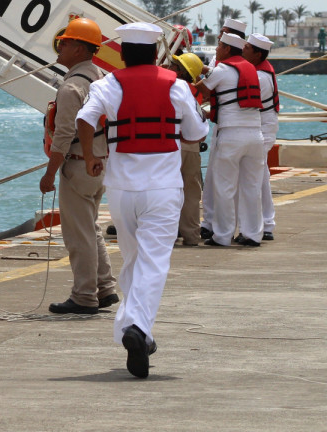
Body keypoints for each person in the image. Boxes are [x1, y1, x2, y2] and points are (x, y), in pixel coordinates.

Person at [78, 22, 207, 378]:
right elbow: (197, 132)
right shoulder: (176, 85)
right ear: (154, 53)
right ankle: (138, 329)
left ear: (122, 53)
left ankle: (129, 331)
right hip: (162, 189)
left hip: (120, 191)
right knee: (153, 263)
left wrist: (90, 155)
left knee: (134, 260)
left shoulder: (107, 84)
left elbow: (84, 118)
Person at [39, 17, 118, 314]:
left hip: (78, 164)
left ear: (79, 48)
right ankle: (105, 287)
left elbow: (63, 136)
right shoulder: (102, 78)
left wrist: (49, 175)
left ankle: (85, 296)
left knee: (78, 234)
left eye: (66, 42)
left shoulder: (72, 87)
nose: (60, 45)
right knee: (91, 228)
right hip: (100, 163)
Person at [197, 32, 265, 247]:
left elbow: (203, 91)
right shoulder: (251, 69)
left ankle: (223, 235)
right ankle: (252, 234)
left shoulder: (223, 69)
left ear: (227, 49)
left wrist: (189, 74)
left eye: (219, 46)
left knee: (224, 187)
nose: (216, 49)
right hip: (256, 134)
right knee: (252, 187)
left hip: (231, 134)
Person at [166, 52, 206, 246]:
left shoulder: (168, 87)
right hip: (191, 145)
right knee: (191, 192)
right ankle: (191, 235)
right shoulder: (195, 92)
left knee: (168, 190)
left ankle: (170, 234)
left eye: (173, 65)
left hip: (171, 144)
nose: (168, 66)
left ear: (180, 72)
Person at [242, 33, 278, 241]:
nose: (243, 50)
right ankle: (265, 223)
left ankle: (265, 223)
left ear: (256, 54)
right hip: (262, 124)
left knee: (256, 177)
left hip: (262, 125)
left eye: (246, 48)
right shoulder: (259, 70)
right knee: (260, 175)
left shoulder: (259, 76)